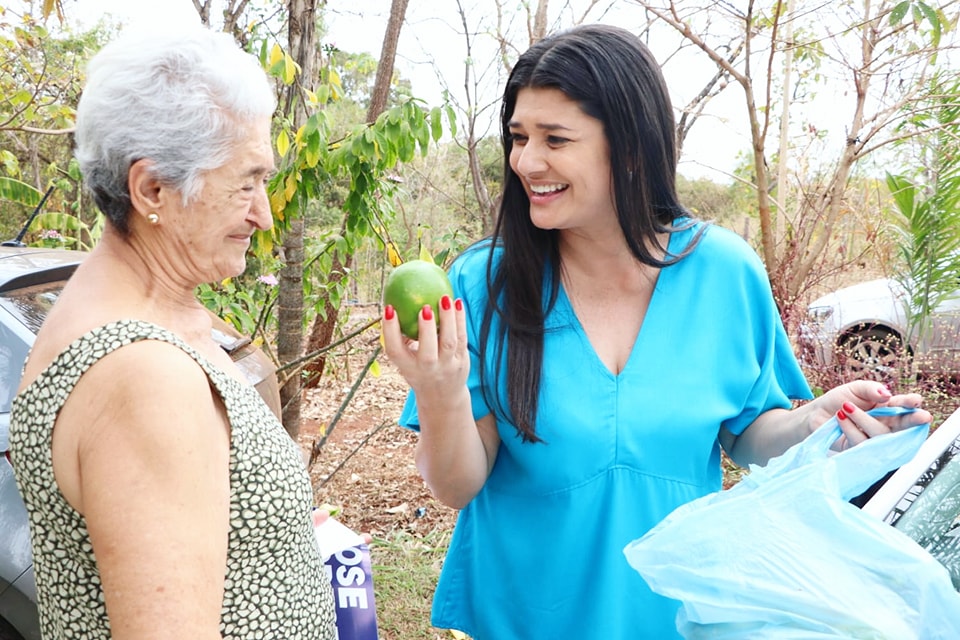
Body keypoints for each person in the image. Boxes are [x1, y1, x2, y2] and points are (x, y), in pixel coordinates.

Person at [381, 24, 931, 640]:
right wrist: (438, 388)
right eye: (518, 137)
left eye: (555, 139)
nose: (525, 162)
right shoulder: (484, 283)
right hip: (525, 618)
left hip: (677, 617)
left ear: (632, 148)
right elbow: (458, 485)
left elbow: (747, 435)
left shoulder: (724, 273)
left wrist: (814, 422)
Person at [8, 27, 337, 639]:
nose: (263, 214)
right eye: (247, 181)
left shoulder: (130, 313)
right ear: (152, 189)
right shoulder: (142, 373)